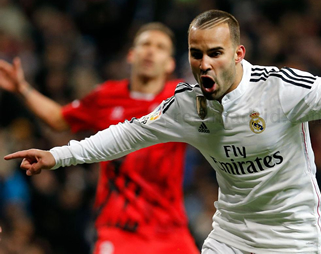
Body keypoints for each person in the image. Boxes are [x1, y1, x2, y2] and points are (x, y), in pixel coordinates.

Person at [4, 10, 321, 254]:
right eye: (196, 53)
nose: (203, 63)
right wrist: (57, 156)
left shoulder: (282, 90)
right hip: (231, 233)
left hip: (293, 231)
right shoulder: (184, 104)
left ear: (237, 54)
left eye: (214, 53)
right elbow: (125, 134)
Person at [0, 23, 199, 253]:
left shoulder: (182, 98)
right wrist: (22, 88)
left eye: (160, 47)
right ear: (131, 55)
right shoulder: (107, 95)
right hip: (118, 228)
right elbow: (58, 118)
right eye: (145, 44)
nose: (151, 51)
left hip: (170, 230)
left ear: (170, 63)